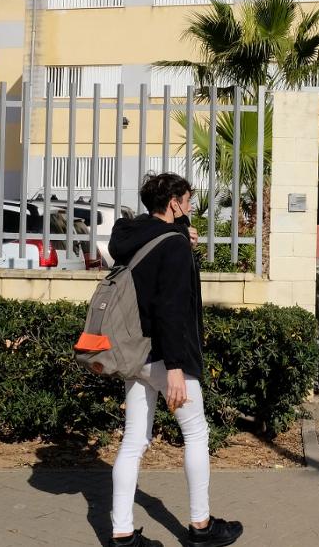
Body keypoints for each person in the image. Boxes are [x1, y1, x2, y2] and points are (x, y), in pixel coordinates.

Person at [105, 172, 244, 547]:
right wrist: (176, 369)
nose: (192, 205)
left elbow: (157, 232)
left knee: (134, 440)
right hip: (167, 358)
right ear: (174, 203)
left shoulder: (132, 237)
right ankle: (200, 526)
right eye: (188, 199)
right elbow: (170, 309)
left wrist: (182, 229)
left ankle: (121, 533)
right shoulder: (176, 246)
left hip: (135, 353)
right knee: (196, 433)